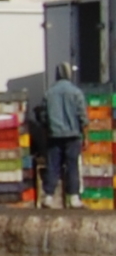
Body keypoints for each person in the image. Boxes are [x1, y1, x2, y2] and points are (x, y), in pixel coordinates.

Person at [42, 64, 89, 209]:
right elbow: (83, 117)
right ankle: (74, 198)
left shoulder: (49, 93)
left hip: (54, 135)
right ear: (69, 74)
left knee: (53, 166)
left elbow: (43, 116)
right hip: (73, 136)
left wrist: (48, 129)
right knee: (72, 166)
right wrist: (86, 137)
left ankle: (48, 197)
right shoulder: (76, 93)